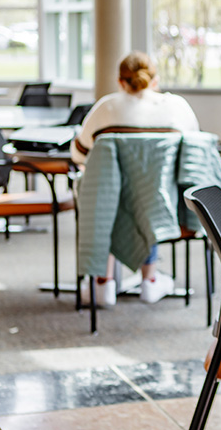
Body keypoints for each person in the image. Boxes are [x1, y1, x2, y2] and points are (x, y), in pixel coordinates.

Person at [71, 51, 200, 305]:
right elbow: (194, 149)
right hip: (163, 202)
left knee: (107, 193)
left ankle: (103, 283)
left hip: (108, 202)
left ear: (121, 82)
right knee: (144, 194)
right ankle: (150, 280)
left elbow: (79, 153)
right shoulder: (177, 107)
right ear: (155, 80)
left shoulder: (106, 106)